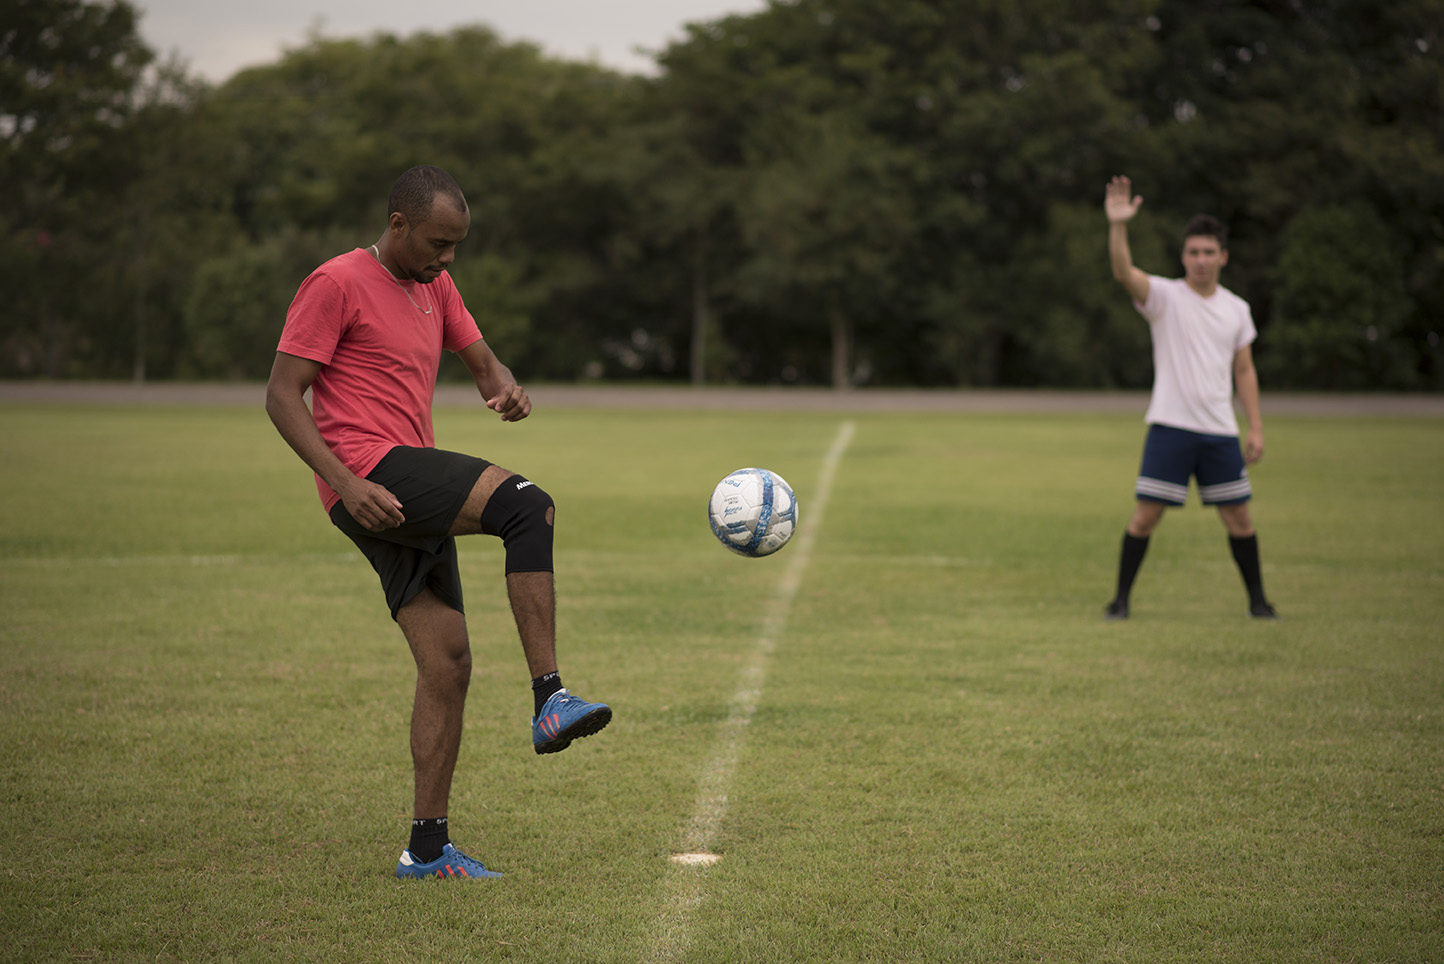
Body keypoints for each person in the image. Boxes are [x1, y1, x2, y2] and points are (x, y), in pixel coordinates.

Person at [265, 164, 612, 880]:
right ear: (398, 226)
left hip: (401, 481)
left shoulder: (435, 286)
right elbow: (280, 395)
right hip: (369, 473)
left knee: (448, 665)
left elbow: (483, 364)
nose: (447, 258)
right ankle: (551, 697)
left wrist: (504, 388)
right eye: (437, 243)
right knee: (527, 503)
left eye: (456, 245)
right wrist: (344, 481)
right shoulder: (334, 283)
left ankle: (426, 848)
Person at [1101, 174, 1278, 620]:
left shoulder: (1237, 309)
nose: (1200, 260)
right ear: (1183, 256)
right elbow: (1124, 272)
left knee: (1239, 519)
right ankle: (1120, 601)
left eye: (1208, 252)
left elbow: (1244, 369)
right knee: (1145, 517)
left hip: (1219, 431)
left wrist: (1254, 426)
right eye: (1193, 252)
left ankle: (1258, 603)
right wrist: (1118, 225)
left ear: (1223, 256)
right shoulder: (1165, 297)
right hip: (1171, 426)